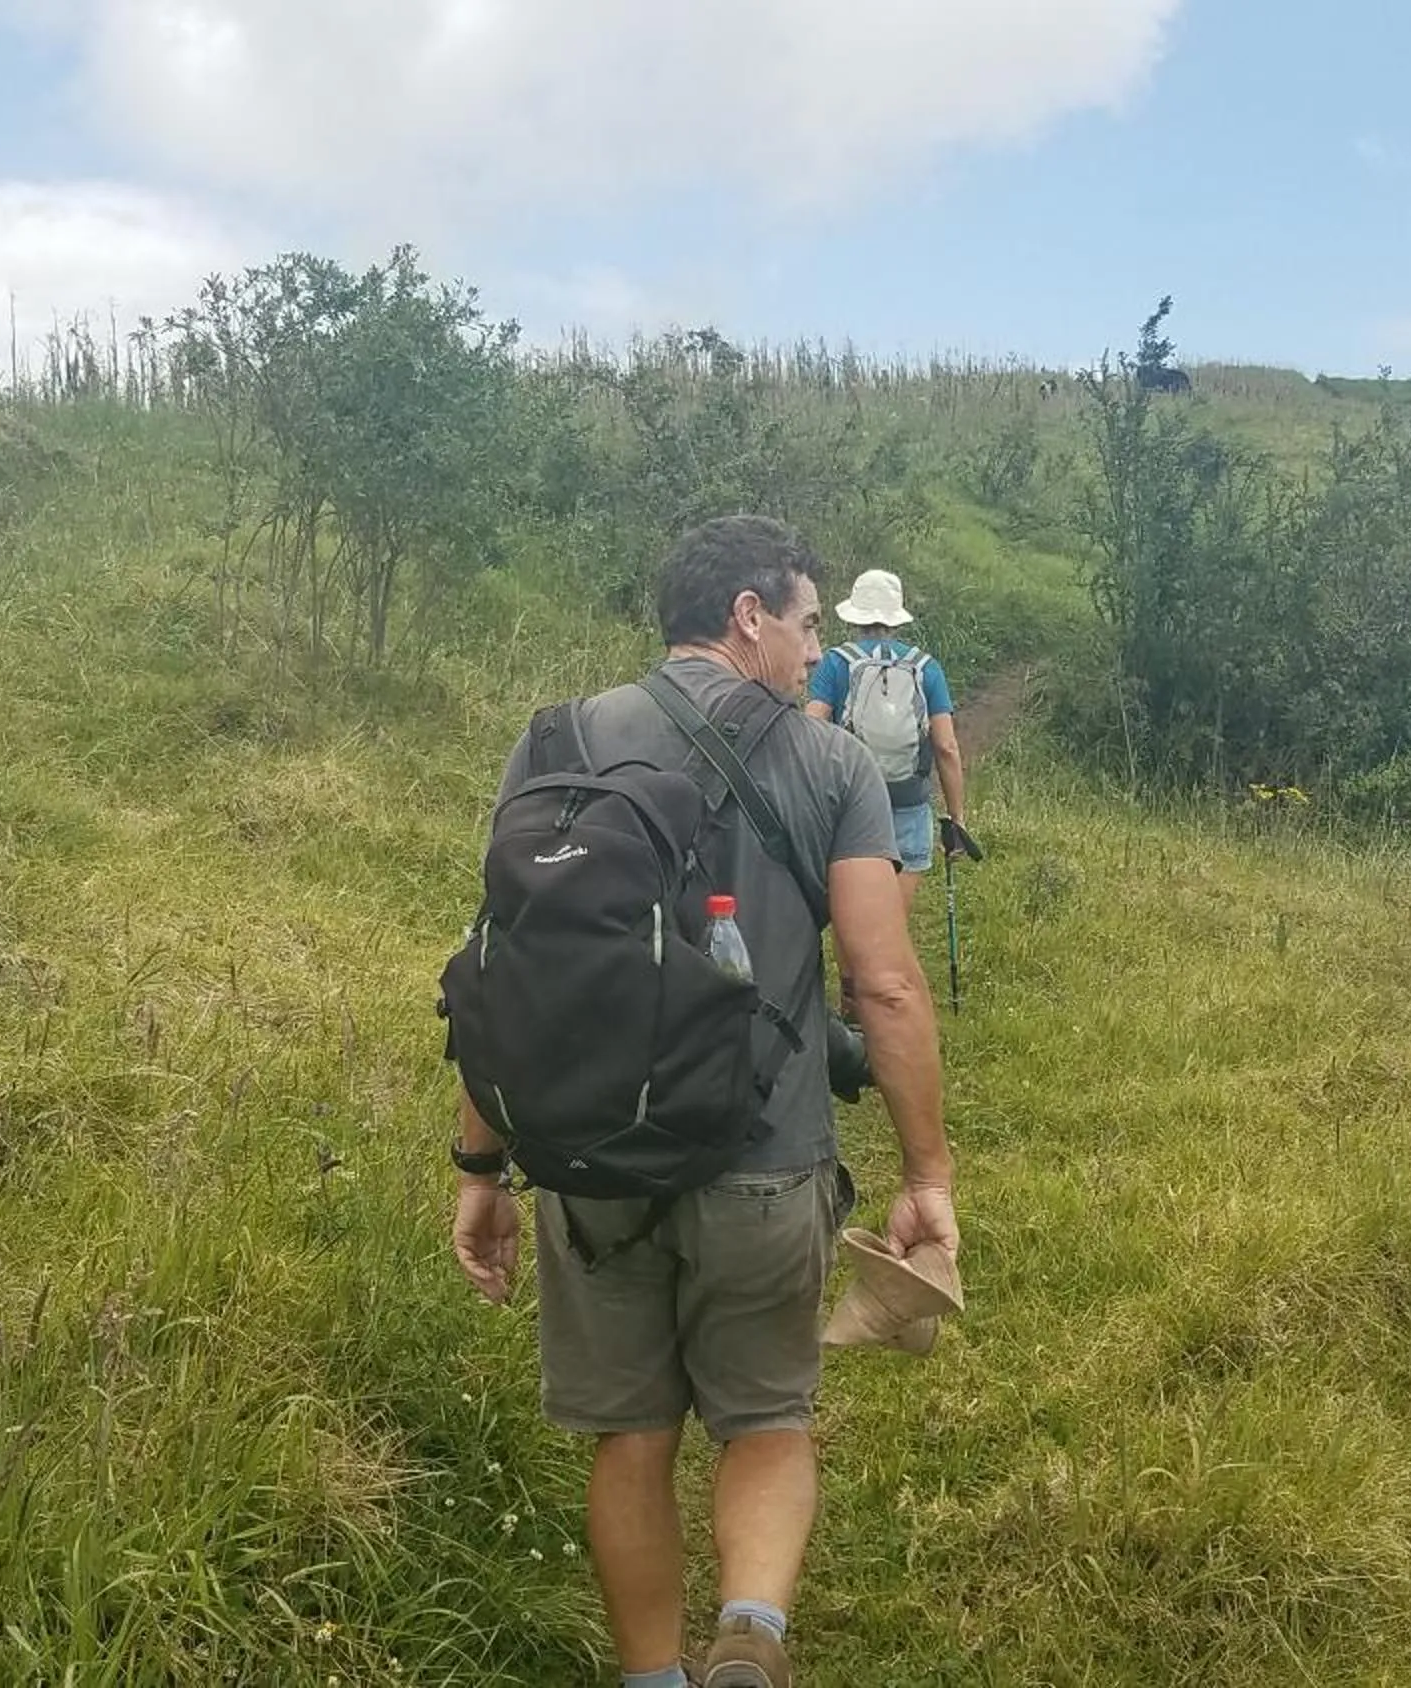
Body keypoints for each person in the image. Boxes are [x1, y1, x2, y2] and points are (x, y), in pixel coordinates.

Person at [449, 516, 959, 1688]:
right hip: (766, 1158)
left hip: (587, 1165)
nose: (810, 645)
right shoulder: (828, 764)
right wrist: (926, 1176)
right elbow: (882, 980)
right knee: (766, 1420)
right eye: (806, 620)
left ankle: (655, 1679)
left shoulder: (555, 740)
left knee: (632, 1436)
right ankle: (750, 1634)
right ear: (748, 613)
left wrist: (482, 1168)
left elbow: (502, 963)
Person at [805, 569, 970, 911]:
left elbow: (811, 730)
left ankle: (851, 966)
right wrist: (957, 821)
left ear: (855, 615)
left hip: (850, 805)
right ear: (897, 618)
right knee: (890, 920)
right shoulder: (927, 668)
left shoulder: (835, 664)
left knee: (851, 918)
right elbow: (946, 747)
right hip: (909, 804)